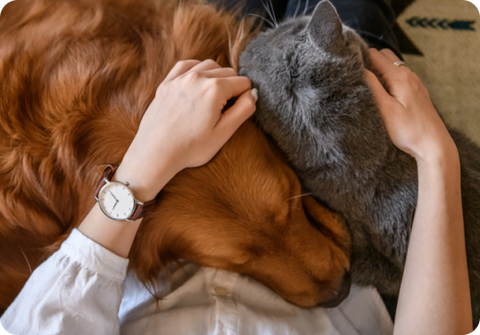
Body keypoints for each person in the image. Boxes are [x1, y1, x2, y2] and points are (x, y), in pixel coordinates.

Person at [0, 1, 473, 335]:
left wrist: (138, 173)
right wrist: (436, 158)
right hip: (343, 179)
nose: (323, 277)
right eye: (249, 255)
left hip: (132, 209)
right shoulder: (324, 276)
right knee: (352, 19)